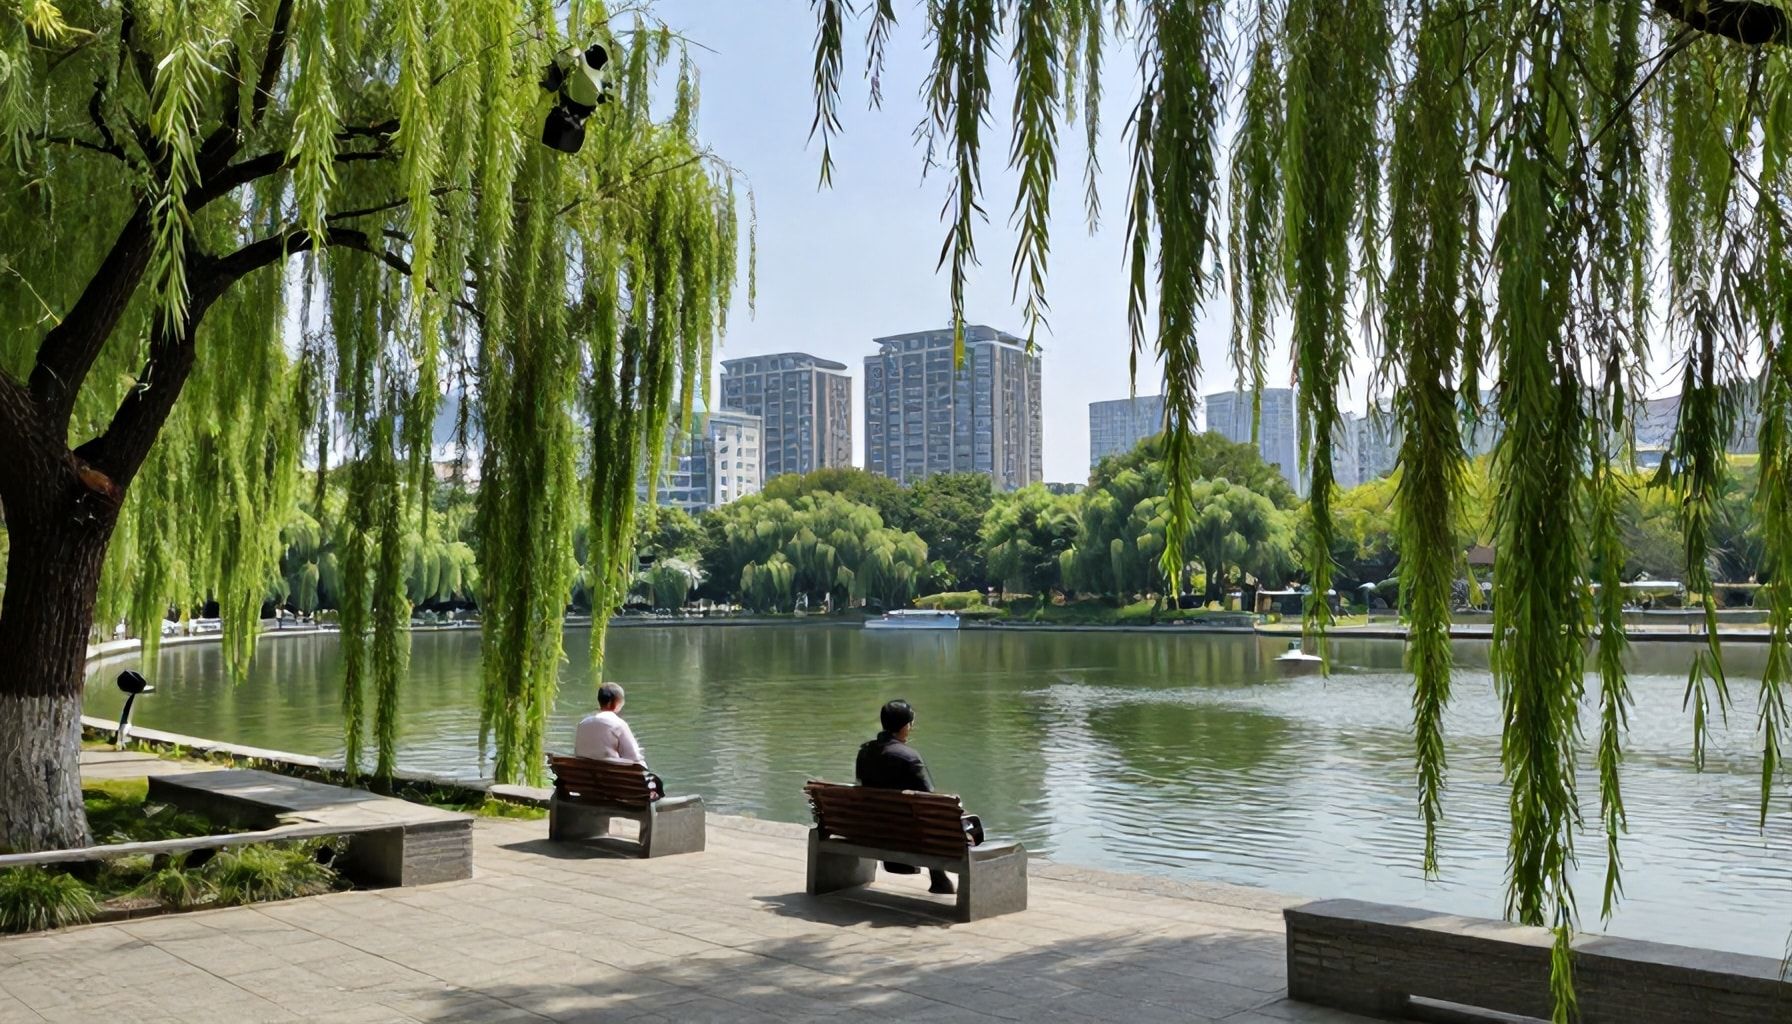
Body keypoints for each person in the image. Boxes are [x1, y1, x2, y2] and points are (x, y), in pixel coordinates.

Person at [856, 699, 979, 896]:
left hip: (873, 829)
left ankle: (939, 879)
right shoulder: (909, 757)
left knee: (921, 818)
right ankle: (939, 879)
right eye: (911, 724)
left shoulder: (864, 752)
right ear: (905, 727)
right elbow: (931, 801)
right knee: (946, 821)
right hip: (910, 834)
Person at [574, 683, 662, 799]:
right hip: (614, 785)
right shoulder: (618, 724)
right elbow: (634, 758)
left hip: (585, 783)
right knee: (650, 776)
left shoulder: (583, 724)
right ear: (615, 702)